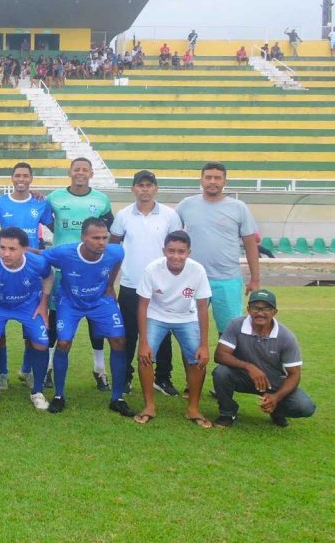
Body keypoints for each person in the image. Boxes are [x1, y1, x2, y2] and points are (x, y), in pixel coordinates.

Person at [37, 218, 135, 417]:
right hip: (70, 303)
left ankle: (117, 398)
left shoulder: (115, 251)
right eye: (95, 238)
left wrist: (109, 285)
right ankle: (58, 395)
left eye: (104, 238)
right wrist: (20, 251)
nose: (101, 242)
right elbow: (41, 255)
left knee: (119, 341)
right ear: (83, 237)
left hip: (100, 302)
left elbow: (117, 261)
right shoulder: (65, 252)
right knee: (63, 343)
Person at [109, 170, 183, 397]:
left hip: (162, 287)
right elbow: (113, 249)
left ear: (156, 188)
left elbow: (178, 249)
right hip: (132, 284)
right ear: (133, 189)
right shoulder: (123, 215)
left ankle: (162, 378)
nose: (145, 189)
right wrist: (110, 283)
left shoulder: (170, 215)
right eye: (140, 185)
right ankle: (125, 377)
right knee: (129, 333)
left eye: (149, 185)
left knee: (163, 332)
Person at [0, 161, 54, 388]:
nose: (21, 179)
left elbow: (54, 226)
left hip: (30, 269)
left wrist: (41, 251)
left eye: (25, 175)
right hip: (5, 268)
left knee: (30, 330)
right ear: (12, 178)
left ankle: (26, 370)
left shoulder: (40, 203)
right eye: (17, 175)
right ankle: (1, 373)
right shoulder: (0, 203)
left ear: (31, 179)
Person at [46, 157, 114, 391]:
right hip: (62, 271)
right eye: (77, 169)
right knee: (56, 320)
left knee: (96, 321)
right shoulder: (54, 198)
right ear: (70, 172)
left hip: (93, 271)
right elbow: (46, 222)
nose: (81, 173)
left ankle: (100, 370)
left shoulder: (101, 200)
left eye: (85, 170)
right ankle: (47, 369)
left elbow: (110, 231)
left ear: (91, 173)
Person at [133, 231, 213, 427]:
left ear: (189, 252)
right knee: (144, 357)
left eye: (181, 251)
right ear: (164, 251)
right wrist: (143, 342)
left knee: (198, 359)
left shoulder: (198, 270)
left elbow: (203, 308)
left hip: (187, 317)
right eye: (171, 251)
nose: (176, 256)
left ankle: (193, 408)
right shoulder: (152, 269)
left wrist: (204, 345)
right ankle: (149, 406)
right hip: (156, 315)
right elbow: (142, 305)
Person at [0, 226, 55, 410]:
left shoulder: (37, 262)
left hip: (29, 306)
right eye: (2, 248)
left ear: (24, 249)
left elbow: (49, 275)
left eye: (12, 249)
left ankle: (37, 392)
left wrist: (44, 303)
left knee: (42, 343)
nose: (6, 253)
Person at [175, 162, 259, 334]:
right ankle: (195, 362)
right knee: (192, 330)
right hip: (193, 279)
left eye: (217, 178)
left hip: (227, 279)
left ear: (224, 181)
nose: (212, 181)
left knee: (230, 331)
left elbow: (251, 245)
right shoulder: (186, 205)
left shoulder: (238, 207)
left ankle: (227, 362)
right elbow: (172, 238)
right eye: (208, 177)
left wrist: (255, 279)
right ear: (201, 180)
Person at [213, 290, 316, 428]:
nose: (260, 313)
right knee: (221, 373)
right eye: (255, 308)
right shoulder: (236, 325)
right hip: (244, 376)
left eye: (266, 308)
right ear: (248, 309)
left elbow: (294, 374)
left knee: (305, 407)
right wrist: (249, 367)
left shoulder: (286, 337)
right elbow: (220, 355)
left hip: (274, 382)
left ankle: (276, 410)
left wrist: (276, 397)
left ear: (275, 312)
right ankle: (227, 413)